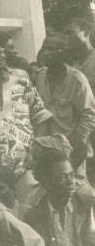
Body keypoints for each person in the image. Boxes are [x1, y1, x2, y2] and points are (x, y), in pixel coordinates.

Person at [0, 38, 52, 177]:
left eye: (0, 52)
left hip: (25, 163)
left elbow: (41, 118)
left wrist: (35, 151)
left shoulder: (22, 82)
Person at [35, 33, 95, 175]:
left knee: (77, 190)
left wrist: (73, 143)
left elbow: (90, 115)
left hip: (73, 151)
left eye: (51, 49)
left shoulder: (77, 80)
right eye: (44, 48)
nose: (45, 53)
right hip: (46, 150)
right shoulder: (40, 77)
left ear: (63, 53)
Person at [25, 150, 95, 245]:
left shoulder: (85, 207)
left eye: (72, 175)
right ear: (46, 182)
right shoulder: (34, 217)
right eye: (63, 177)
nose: (71, 182)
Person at [64, 17, 95, 184]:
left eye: (71, 33)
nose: (67, 38)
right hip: (80, 130)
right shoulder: (72, 65)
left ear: (86, 33)